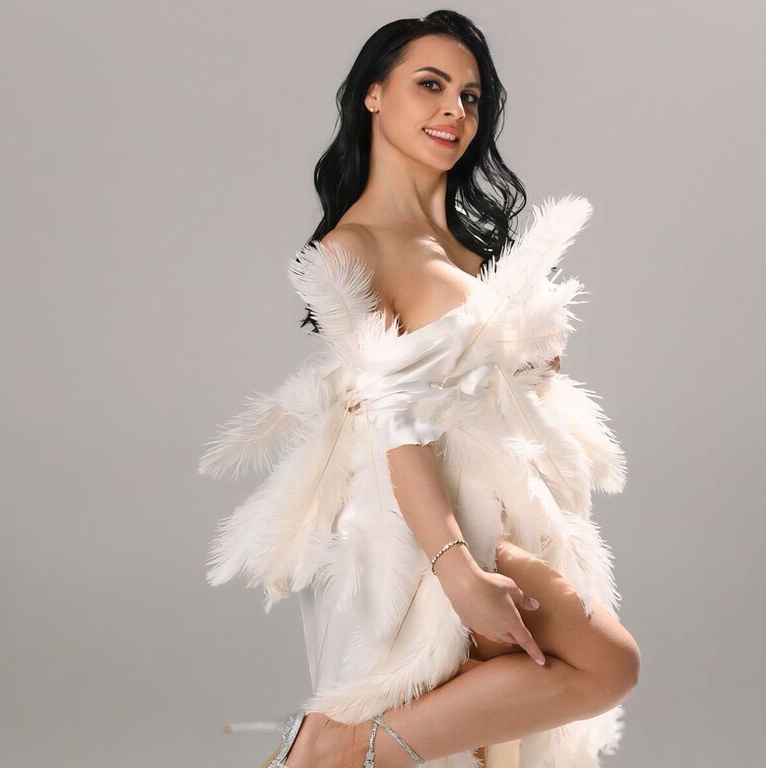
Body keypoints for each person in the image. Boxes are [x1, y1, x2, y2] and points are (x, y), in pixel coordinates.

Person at [199, 11, 639, 767]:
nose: (454, 111)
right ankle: (333, 747)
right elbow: (387, 420)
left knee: (493, 734)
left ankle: (338, 750)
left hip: (505, 504)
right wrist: (456, 568)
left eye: (470, 97)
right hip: (426, 518)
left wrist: (524, 369)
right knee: (607, 664)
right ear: (374, 94)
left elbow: (500, 396)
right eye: (430, 86)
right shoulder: (355, 246)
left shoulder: (469, 244)